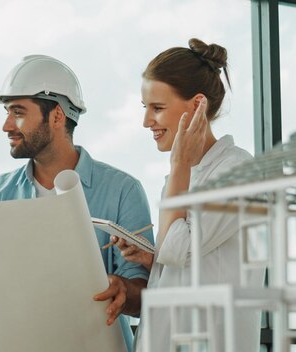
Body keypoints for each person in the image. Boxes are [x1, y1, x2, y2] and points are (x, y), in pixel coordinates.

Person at [0, 55, 154, 351]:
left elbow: (144, 291)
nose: (7, 125)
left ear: (57, 116)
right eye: (8, 112)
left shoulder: (122, 190)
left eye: (18, 112)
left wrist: (123, 290)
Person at [111, 38, 265, 351]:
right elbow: (184, 258)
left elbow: (176, 246)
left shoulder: (236, 171)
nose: (146, 121)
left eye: (157, 108)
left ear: (196, 106)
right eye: (146, 108)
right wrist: (153, 260)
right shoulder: (182, 176)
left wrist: (179, 163)